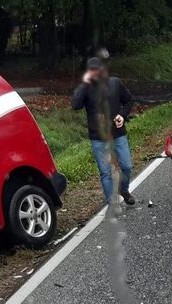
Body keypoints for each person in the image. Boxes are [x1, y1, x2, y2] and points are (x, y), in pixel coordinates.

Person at [72, 57, 136, 205]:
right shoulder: (86, 88)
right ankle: (111, 202)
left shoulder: (115, 83)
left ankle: (124, 189)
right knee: (106, 172)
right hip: (98, 137)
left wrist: (122, 115)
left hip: (118, 133)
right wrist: (84, 84)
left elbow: (129, 100)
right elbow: (75, 105)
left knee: (126, 165)